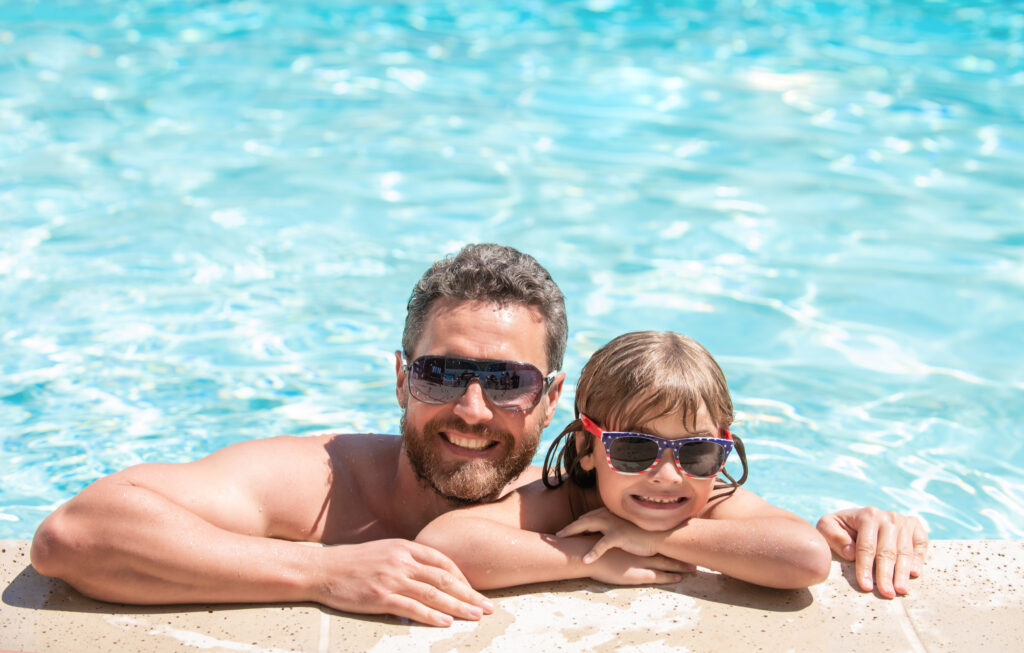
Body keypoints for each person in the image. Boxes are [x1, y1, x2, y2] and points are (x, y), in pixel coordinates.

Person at [30, 243, 928, 628]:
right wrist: (321, 569)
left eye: (505, 381)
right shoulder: (319, 479)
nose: (469, 408)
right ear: (398, 375)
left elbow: (737, 516)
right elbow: (76, 535)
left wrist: (860, 524)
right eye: (440, 373)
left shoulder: (595, 482)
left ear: (553, 403)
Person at [417, 331, 832, 589]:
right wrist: (593, 558)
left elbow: (807, 557)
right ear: (586, 449)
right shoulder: (568, 498)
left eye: (698, 452)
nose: (669, 477)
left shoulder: (713, 499)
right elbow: (442, 545)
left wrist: (657, 540)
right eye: (635, 450)